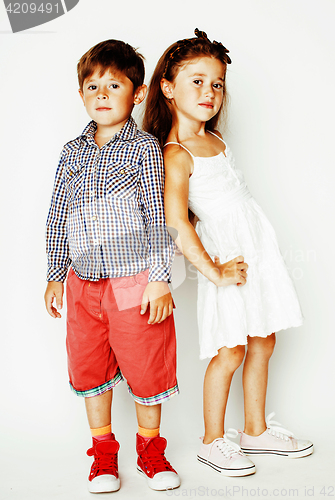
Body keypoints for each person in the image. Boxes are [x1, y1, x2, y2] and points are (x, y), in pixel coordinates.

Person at [144, 29, 313, 477]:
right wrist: (215, 272)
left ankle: (255, 430)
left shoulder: (216, 142)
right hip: (227, 263)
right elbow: (177, 222)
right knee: (230, 350)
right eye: (196, 81)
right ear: (167, 87)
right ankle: (212, 440)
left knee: (265, 338)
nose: (209, 91)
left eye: (216, 83)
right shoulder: (175, 154)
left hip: (256, 253)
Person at [44, 39, 180, 493]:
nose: (101, 94)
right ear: (82, 94)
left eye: (114, 85)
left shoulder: (142, 149)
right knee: (90, 369)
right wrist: (55, 272)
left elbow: (157, 214)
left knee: (146, 366)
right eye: (92, 86)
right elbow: (59, 212)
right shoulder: (71, 152)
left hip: (134, 280)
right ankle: (103, 458)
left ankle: (151, 454)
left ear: (137, 94)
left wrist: (160, 278)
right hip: (84, 284)